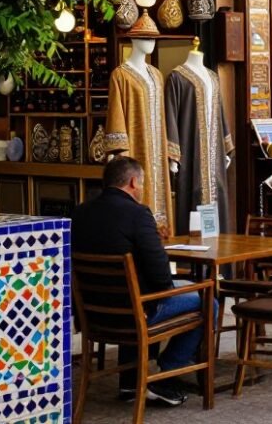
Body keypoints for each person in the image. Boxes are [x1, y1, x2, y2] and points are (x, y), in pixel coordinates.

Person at [71, 157, 205, 407]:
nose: (141, 189)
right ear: (133, 182)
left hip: (92, 315)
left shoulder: (80, 213)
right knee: (207, 299)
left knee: (134, 292)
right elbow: (162, 278)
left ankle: (131, 382)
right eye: (141, 183)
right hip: (135, 313)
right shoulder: (137, 214)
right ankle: (163, 375)